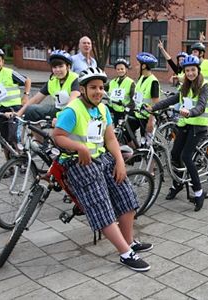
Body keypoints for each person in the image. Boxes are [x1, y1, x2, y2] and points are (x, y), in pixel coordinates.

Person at [52, 67, 152, 272]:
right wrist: (80, 147)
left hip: (102, 158)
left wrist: (120, 162)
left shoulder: (103, 109)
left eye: (100, 87)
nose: (98, 91)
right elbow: (58, 135)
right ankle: (125, 253)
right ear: (83, 89)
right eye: (93, 87)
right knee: (101, 204)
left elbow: (110, 138)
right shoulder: (73, 110)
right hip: (78, 163)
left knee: (126, 195)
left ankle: (129, 241)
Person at [148, 55, 208, 211]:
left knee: (186, 156)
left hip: (198, 126)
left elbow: (202, 105)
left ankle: (198, 191)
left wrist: (191, 112)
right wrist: (153, 108)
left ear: (198, 70)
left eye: (193, 70)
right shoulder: (185, 86)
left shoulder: (204, 85)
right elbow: (174, 99)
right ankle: (178, 184)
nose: (190, 73)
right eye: (187, 70)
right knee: (175, 154)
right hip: (185, 124)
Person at [0, 47, 31, 160]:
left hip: (14, 108)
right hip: (0, 110)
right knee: (3, 138)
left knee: (14, 136)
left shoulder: (10, 73)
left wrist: (26, 95)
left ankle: (22, 160)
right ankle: (9, 165)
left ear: (3, 62)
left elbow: (27, 80)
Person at [15, 50, 80, 124]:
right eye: (54, 67)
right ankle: (39, 136)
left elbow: (72, 103)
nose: (57, 70)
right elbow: (35, 99)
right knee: (31, 110)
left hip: (75, 112)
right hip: (59, 109)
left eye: (61, 66)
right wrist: (19, 113)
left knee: (58, 133)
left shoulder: (75, 79)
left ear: (68, 67)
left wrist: (60, 118)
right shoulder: (52, 81)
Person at [106, 58, 135, 127]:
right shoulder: (112, 82)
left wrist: (128, 109)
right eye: (118, 69)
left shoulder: (131, 82)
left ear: (126, 70)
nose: (120, 71)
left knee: (125, 132)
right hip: (114, 110)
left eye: (122, 69)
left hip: (124, 111)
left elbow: (133, 99)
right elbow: (102, 88)